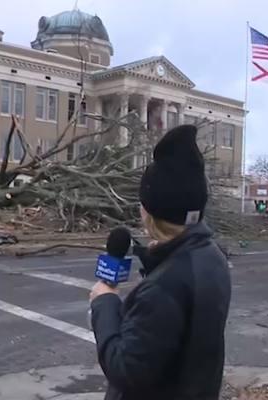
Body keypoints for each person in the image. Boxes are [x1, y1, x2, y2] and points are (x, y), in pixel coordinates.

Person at [90, 125, 231, 400]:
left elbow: (126, 369)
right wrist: (160, 258)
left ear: (149, 210)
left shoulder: (163, 288)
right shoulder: (212, 256)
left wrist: (104, 303)